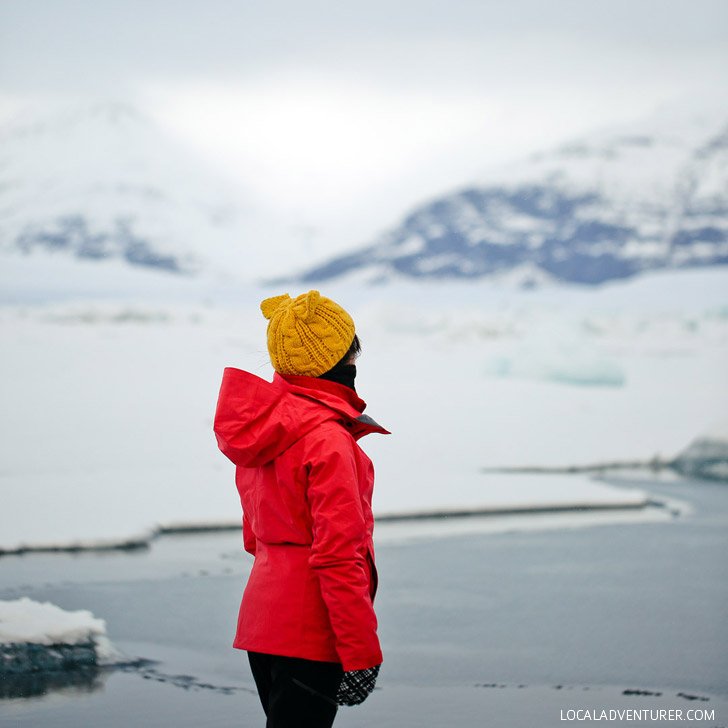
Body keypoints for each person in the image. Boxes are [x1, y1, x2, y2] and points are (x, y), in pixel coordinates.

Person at [214, 290, 388, 727]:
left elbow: (254, 537)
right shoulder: (327, 439)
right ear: (342, 358)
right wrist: (360, 651)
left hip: (262, 622)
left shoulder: (265, 426)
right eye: (352, 349)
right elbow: (338, 555)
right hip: (310, 631)